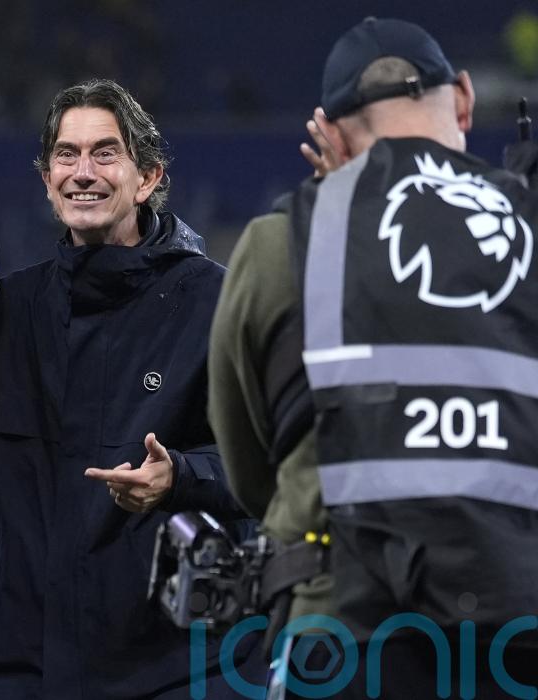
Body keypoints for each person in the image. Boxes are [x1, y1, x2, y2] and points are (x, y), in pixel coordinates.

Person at [209, 17, 538, 697]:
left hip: (344, 628)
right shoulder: (529, 223)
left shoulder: (281, 243)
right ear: (465, 98)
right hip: (520, 628)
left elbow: (248, 464)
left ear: (331, 131)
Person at [0, 79, 254, 699]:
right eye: (67, 154)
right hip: (32, 666)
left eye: (105, 154)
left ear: (148, 177)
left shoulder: (216, 301)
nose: (83, 172)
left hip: (180, 667)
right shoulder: (14, 309)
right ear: (47, 179)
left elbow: (274, 466)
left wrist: (180, 476)